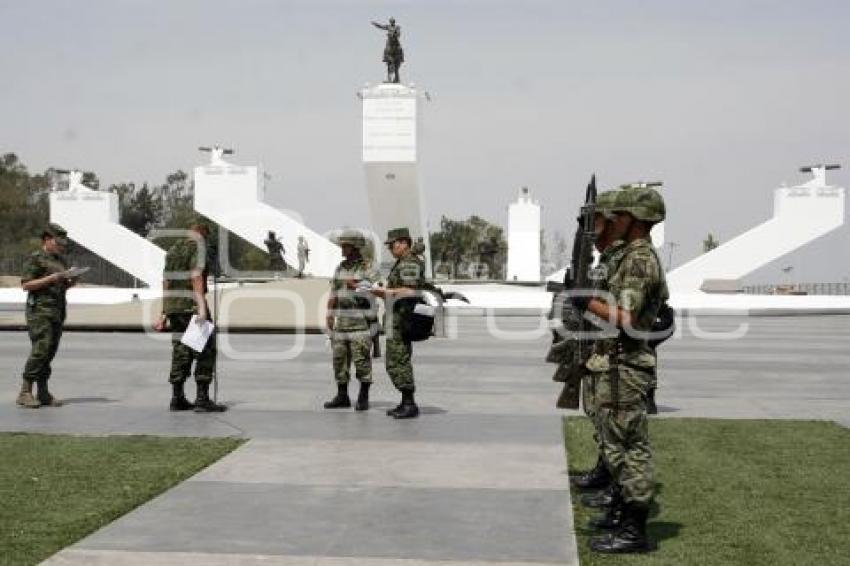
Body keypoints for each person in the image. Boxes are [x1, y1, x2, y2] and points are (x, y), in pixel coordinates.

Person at [570, 187, 668, 553]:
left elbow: (625, 319)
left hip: (626, 365)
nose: (609, 224)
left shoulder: (639, 259)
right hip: (616, 362)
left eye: (616, 217)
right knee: (617, 445)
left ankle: (634, 530)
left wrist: (584, 300)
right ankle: (623, 515)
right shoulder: (630, 257)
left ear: (634, 220)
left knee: (629, 447)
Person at [564, 189, 627, 493]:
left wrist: (585, 301)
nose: (590, 230)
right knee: (596, 413)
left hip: (615, 352)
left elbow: (624, 312)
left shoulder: (625, 258)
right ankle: (605, 473)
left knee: (612, 421)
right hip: (595, 345)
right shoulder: (606, 259)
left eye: (594, 222)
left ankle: (616, 488)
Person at [153, 221, 227, 412]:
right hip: (191, 306)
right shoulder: (198, 249)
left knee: (181, 351)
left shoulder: (173, 251)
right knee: (205, 349)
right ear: (202, 235)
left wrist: (163, 312)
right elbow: (196, 277)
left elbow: (166, 281)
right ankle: (202, 399)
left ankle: (177, 397)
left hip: (174, 308)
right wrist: (201, 308)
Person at [369, 227, 426, 419]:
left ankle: (410, 404)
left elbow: (410, 291)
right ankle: (405, 401)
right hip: (397, 319)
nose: (390, 249)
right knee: (397, 360)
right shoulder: (402, 262)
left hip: (402, 321)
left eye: (392, 245)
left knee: (398, 361)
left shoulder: (409, 263)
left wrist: (384, 293)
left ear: (403, 243)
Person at [17, 223, 76, 408]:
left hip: (57, 311)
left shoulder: (60, 260)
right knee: (41, 350)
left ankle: (43, 392)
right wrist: (50, 278)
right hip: (39, 313)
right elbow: (26, 285)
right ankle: (25, 391)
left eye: (62, 243)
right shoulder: (36, 258)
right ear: (46, 239)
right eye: (57, 242)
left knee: (50, 352)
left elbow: (61, 285)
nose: (61, 246)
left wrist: (70, 280)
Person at [324, 230, 380, 411]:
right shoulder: (340, 268)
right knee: (339, 358)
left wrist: (356, 285)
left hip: (361, 321)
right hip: (342, 321)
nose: (342, 248)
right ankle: (342, 396)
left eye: (346, 246)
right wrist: (330, 313)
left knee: (361, 359)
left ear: (355, 247)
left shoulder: (367, 267)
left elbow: (375, 289)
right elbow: (334, 291)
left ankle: (363, 397)